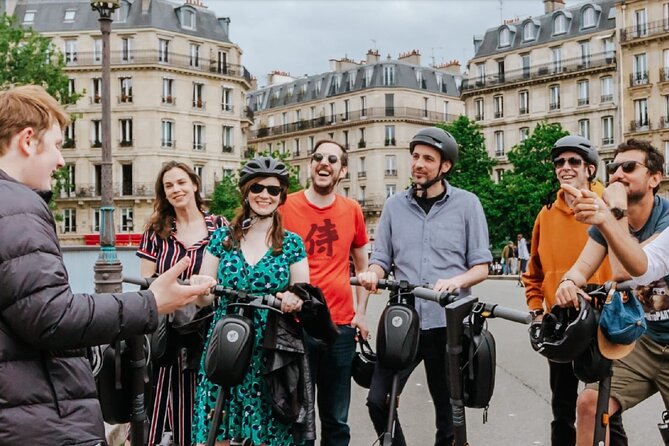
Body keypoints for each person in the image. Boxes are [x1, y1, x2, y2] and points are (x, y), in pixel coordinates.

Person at [0, 85, 213, 444]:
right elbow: (51, 317)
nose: (61, 160)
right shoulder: (17, 207)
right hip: (38, 419)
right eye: (56, 145)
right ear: (27, 140)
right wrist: (151, 302)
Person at [357, 127, 492, 446]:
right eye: (415, 156)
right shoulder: (394, 207)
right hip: (403, 320)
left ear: (444, 166)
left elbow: (482, 267)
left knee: (448, 415)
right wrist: (372, 274)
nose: (418, 163)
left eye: (427, 158)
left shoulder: (467, 204)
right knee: (379, 400)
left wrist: (456, 281)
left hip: (448, 323)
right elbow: (381, 259)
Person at [190, 156, 310, 446]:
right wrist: (200, 286)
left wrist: (295, 298)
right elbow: (204, 299)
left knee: (265, 435)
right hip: (226, 346)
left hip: (268, 353)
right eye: (257, 188)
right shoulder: (222, 239)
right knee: (216, 428)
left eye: (273, 190)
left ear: (281, 197)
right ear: (245, 192)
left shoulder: (292, 244)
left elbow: (304, 291)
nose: (265, 195)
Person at [555, 138, 668, 445]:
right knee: (589, 404)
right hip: (643, 339)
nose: (618, 174)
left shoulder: (665, 219)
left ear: (655, 178)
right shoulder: (609, 220)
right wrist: (568, 284)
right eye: (613, 167)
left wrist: (612, 213)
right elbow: (580, 269)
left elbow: (628, 270)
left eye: (629, 167)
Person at [522, 135, 627, 446]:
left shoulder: (607, 206)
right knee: (563, 408)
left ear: (590, 169)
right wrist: (536, 310)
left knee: (605, 411)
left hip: (601, 321)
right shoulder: (546, 215)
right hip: (562, 322)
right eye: (559, 162)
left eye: (573, 162)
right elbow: (533, 273)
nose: (565, 167)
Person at [281, 139, 369, 446]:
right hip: (294, 327)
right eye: (318, 157)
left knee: (336, 419)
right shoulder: (285, 205)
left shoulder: (352, 210)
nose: (324, 163)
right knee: (299, 419)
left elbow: (363, 267)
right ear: (309, 165)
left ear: (342, 171)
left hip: (340, 327)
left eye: (332, 159)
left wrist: (361, 313)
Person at [137, 162, 226, 446]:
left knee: (206, 408)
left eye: (181, 182)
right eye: (169, 186)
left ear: (194, 185)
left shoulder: (220, 228)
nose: (176, 189)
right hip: (168, 334)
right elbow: (145, 284)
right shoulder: (156, 231)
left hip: (206, 332)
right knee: (159, 404)